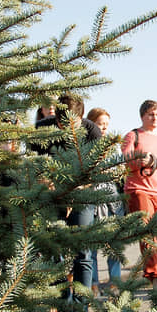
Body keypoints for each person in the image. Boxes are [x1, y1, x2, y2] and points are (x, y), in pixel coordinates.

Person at [34, 93, 102, 294]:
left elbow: (94, 169)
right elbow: (37, 163)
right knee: (53, 249)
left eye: (73, 123)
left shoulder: (93, 131)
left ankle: (81, 306)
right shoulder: (42, 129)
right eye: (62, 124)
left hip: (81, 195)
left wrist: (75, 191)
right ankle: (62, 301)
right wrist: (47, 182)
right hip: (52, 195)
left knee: (83, 253)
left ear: (81, 118)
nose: (66, 129)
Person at [121, 100, 157, 287]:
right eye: (151, 114)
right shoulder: (133, 135)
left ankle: (152, 271)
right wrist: (142, 160)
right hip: (139, 189)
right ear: (142, 115)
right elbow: (126, 159)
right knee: (148, 233)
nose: (155, 118)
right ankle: (155, 275)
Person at [86, 107, 123, 286]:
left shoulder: (111, 147)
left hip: (111, 201)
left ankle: (115, 283)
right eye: (100, 124)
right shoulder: (83, 146)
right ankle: (93, 283)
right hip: (91, 200)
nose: (103, 128)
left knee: (113, 245)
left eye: (106, 125)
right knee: (91, 247)